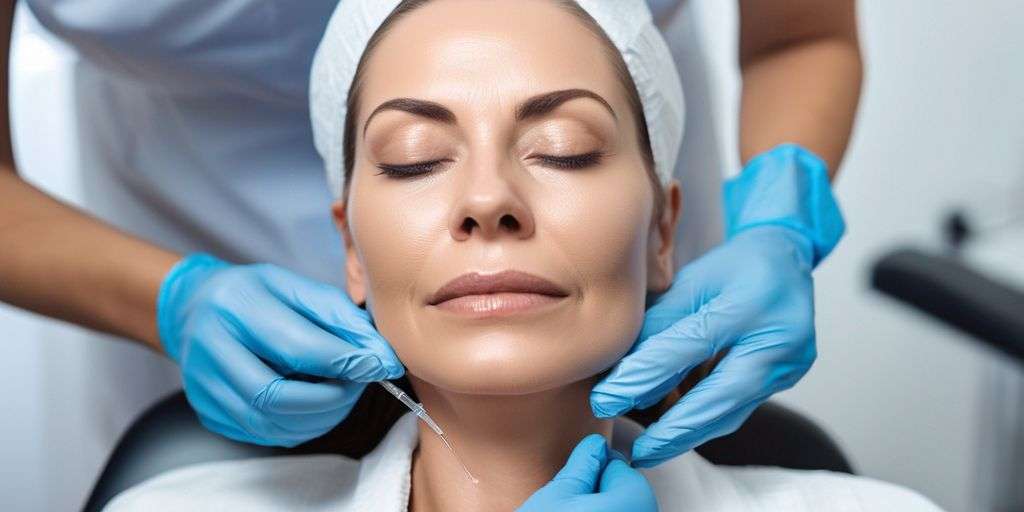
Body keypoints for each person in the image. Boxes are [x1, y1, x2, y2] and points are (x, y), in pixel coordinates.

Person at [0, 0, 861, 503]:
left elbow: (801, 34)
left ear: (665, 228)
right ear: (349, 242)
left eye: (564, 146)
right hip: (173, 187)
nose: (487, 201)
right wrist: (170, 299)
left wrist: (778, 224)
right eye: (413, 160)